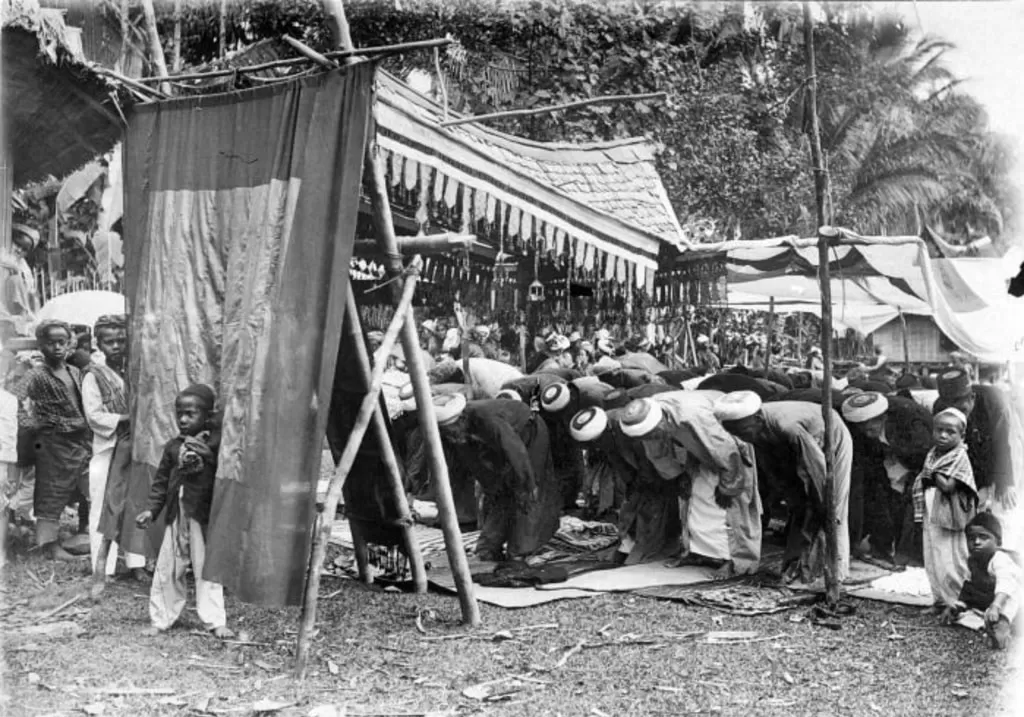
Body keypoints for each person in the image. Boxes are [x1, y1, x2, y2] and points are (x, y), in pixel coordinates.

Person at [713, 391, 852, 582]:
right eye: (735, 433)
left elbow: (815, 467)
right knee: (798, 508)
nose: (742, 437)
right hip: (793, 445)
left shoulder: (788, 426)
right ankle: (796, 566)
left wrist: (822, 503)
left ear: (758, 419)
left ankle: (835, 572)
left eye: (743, 432)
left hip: (829, 433)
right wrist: (789, 495)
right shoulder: (753, 429)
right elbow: (773, 468)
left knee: (832, 509)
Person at [621, 392, 761, 577]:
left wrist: (729, 486)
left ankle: (736, 562)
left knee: (731, 507)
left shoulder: (693, 415)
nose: (651, 437)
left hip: (730, 448)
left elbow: (727, 450)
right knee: (694, 499)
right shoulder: (648, 418)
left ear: (660, 422)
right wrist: (679, 477)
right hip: (697, 447)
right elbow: (658, 454)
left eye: (653, 433)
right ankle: (697, 552)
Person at [136, 384, 233, 638]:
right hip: (176, 517)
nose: (183, 419)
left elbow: (223, 480)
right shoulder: (172, 447)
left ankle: (215, 620)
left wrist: (208, 456)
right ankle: (161, 618)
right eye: (179, 413)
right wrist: (151, 510)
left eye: (190, 414)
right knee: (168, 567)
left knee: (206, 569)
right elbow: (161, 483)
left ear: (207, 417)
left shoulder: (217, 446)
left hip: (202, 517)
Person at [435, 393, 559, 562]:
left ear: (461, 420)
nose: (451, 435)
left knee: (526, 495)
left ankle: (520, 549)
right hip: (495, 444)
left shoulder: (487, 419)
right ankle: (488, 547)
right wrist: (490, 486)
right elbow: (470, 463)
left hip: (529, 433)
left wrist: (527, 484)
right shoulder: (452, 432)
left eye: (452, 430)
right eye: (446, 432)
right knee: (499, 494)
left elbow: (515, 451)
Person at [83, 315, 148, 594]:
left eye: (121, 340)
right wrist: (125, 418)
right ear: (98, 343)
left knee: (135, 502)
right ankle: (104, 567)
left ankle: (137, 562)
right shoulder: (93, 375)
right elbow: (94, 416)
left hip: (134, 445)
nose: (116, 346)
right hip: (108, 447)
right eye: (109, 341)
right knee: (102, 504)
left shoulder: (134, 370)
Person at [17, 320, 92, 561]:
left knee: (90, 486)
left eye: (62, 342)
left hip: (80, 441)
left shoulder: (75, 372)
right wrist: (34, 424)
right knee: (51, 492)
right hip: (52, 443)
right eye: (51, 343)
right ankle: (49, 545)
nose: (57, 347)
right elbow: (15, 401)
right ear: (41, 345)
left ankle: (87, 534)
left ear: (70, 344)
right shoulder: (36, 375)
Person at [841, 392, 933, 564]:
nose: (868, 433)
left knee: (911, 511)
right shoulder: (862, 434)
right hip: (891, 468)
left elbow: (923, 457)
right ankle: (884, 546)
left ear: (882, 418)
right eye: (863, 429)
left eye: (871, 429)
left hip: (917, 467)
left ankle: (910, 555)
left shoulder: (911, 424)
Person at [911, 407, 978, 611]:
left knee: (950, 556)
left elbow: (948, 486)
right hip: (932, 506)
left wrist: (932, 473)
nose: (943, 435)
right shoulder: (933, 454)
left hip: (949, 512)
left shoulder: (959, 456)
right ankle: (939, 600)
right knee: (932, 554)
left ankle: (956, 601)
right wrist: (931, 473)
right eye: (939, 430)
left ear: (962, 435)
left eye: (950, 432)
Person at [933, 368, 1016, 511]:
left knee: (1003, 497)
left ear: (972, 398)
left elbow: (1002, 444)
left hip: (1004, 439)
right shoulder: (939, 409)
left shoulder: (993, 403)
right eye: (952, 413)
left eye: (962, 410)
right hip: (971, 456)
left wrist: (1005, 482)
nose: (959, 417)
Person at [940, 512, 1020, 649]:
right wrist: (958, 606)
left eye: (983, 537)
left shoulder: (1000, 558)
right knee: (974, 595)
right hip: (991, 597)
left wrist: (996, 606)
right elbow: (969, 586)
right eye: (971, 538)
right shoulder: (973, 560)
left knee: (1012, 597)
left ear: (998, 542)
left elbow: (1006, 584)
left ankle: (1003, 625)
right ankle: (991, 621)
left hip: (1010, 597)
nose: (976, 542)